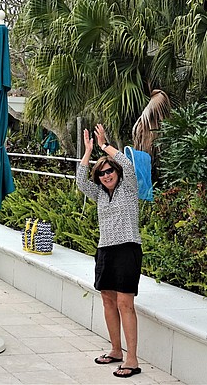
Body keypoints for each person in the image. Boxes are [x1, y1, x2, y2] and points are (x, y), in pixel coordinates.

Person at [76, 123, 143, 379]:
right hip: (105, 249)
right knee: (107, 299)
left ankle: (132, 359)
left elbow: (127, 163)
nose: (106, 175)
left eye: (109, 171)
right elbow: (81, 181)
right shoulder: (100, 194)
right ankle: (115, 350)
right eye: (102, 173)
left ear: (116, 172)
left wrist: (104, 146)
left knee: (126, 303)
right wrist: (88, 151)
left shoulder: (128, 188)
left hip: (127, 248)